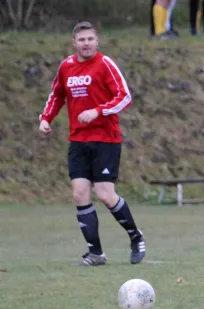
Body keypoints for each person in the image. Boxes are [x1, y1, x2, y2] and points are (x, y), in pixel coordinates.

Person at [38, 21, 146, 267]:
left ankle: (136, 236)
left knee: (106, 195)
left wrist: (98, 111)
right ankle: (95, 253)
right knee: (79, 194)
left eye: (90, 39)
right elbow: (56, 95)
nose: (86, 43)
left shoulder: (105, 65)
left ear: (97, 41)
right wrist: (46, 119)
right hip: (78, 140)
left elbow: (124, 97)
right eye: (82, 39)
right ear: (74, 42)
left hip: (105, 140)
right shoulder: (66, 67)